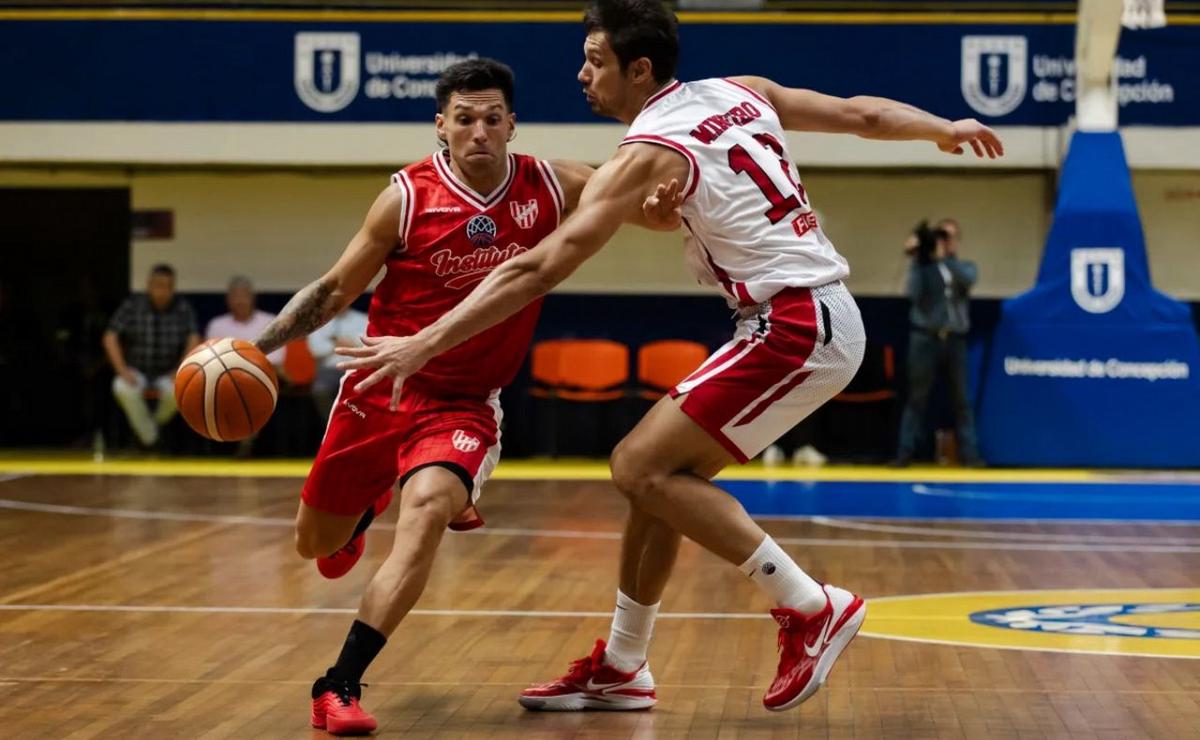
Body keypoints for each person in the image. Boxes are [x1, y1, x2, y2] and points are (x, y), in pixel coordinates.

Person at [336, 0, 1004, 715]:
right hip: (806, 315)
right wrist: (944, 128)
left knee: (637, 466)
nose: (582, 74)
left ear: (640, 70)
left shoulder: (648, 149)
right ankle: (624, 665)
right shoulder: (741, 90)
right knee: (657, 478)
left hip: (792, 321)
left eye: (595, 61)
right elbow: (861, 115)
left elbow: (539, 267)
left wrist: (424, 342)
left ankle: (810, 605)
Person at [251, 58, 678, 735]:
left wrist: (658, 212)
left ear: (512, 124)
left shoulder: (556, 184)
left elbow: (645, 211)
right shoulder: (404, 198)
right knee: (313, 546)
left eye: (491, 118)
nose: (479, 130)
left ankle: (338, 685)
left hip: (465, 403)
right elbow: (333, 291)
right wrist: (258, 349)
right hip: (379, 388)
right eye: (465, 118)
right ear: (441, 125)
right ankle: (359, 515)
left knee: (425, 512)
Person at [891, 219, 982, 467]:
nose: (944, 240)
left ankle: (971, 455)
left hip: (955, 338)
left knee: (962, 399)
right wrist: (917, 257)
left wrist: (945, 258)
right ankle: (904, 453)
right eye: (940, 236)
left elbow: (968, 280)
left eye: (949, 236)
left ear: (956, 241)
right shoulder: (923, 268)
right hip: (925, 338)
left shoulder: (964, 267)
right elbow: (912, 293)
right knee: (916, 398)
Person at [101, 264, 200, 447]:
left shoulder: (183, 308)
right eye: (158, 286)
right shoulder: (132, 306)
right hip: (136, 370)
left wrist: (181, 369)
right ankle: (152, 439)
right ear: (149, 285)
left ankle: (148, 433)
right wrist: (122, 370)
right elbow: (110, 337)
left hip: (169, 372)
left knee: (181, 390)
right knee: (120, 386)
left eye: (168, 286)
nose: (163, 291)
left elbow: (194, 338)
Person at [205, 276, 283, 367]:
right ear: (227, 300)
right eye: (235, 297)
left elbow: (276, 360)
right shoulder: (216, 325)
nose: (240, 301)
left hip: (263, 371)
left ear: (253, 298)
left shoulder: (270, 321)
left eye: (244, 296)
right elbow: (211, 361)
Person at [308, 306, 369, 419]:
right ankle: (332, 422)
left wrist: (335, 343)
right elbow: (315, 351)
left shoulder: (363, 319)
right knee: (319, 390)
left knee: (363, 394)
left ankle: (353, 423)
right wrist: (341, 345)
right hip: (328, 371)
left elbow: (370, 348)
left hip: (357, 371)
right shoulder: (319, 323)